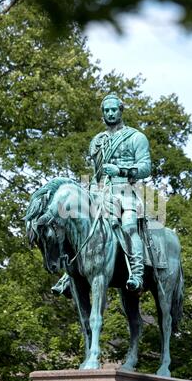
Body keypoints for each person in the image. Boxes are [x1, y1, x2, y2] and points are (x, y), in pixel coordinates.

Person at [52, 93, 151, 296]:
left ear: (120, 110)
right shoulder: (97, 141)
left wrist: (121, 170)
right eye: (106, 110)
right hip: (100, 192)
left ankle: (138, 273)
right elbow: (96, 173)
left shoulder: (136, 137)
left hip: (126, 191)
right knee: (76, 225)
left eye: (114, 109)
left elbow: (145, 167)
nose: (110, 113)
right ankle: (68, 276)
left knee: (130, 225)